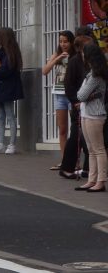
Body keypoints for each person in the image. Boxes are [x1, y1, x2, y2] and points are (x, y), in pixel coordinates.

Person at [0, 26, 25, 155]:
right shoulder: (1, 52)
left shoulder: (12, 53)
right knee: (1, 116)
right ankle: (0, 143)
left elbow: (5, 71)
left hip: (9, 88)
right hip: (0, 88)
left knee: (9, 115)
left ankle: (12, 144)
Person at [76, 40, 107, 192]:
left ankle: (101, 180)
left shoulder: (95, 76)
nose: (82, 55)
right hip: (87, 113)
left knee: (98, 149)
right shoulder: (91, 74)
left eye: (83, 53)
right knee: (91, 149)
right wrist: (88, 95)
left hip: (95, 114)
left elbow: (81, 95)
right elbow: (83, 95)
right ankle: (92, 179)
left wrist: (87, 96)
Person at [42, 30, 76, 167]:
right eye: (61, 41)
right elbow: (44, 71)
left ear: (71, 42)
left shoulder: (76, 55)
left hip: (72, 96)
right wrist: (57, 59)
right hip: (59, 95)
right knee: (62, 129)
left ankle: (75, 162)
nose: (63, 44)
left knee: (75, 130)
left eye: (66, 41)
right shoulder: (57, 54)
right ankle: (64, 161)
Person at [61, 35, 91, 180]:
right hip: (78, 106)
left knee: (88, 139)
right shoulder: (74, 62)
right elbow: (68, 85)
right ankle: (67, 167)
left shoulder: (92, 61)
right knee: (76, 137)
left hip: (91, 106)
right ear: (79, 48)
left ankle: (88, 169)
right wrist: (75, 102)